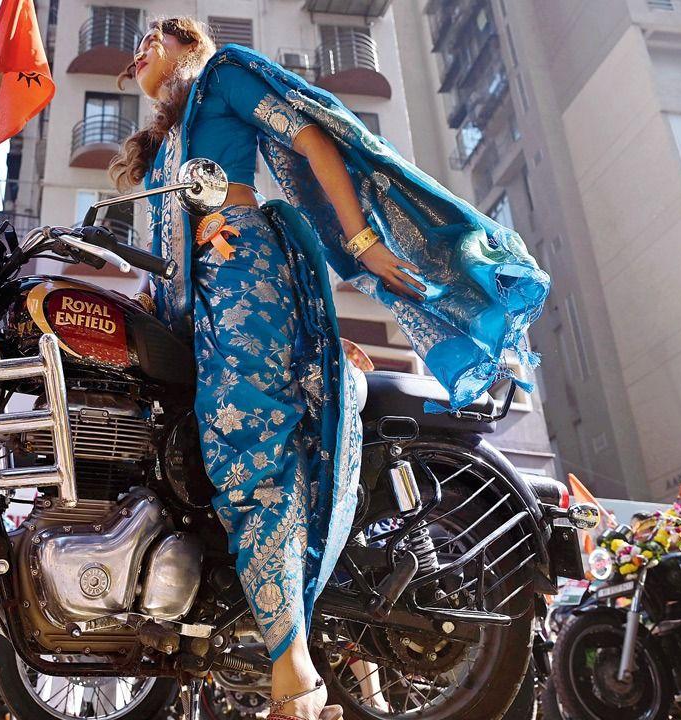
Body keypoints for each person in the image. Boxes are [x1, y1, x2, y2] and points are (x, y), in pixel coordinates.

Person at [109, 18, 548, 720]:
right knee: (192, 461)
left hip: (241, 269)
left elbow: (311, 136)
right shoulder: (167, 142)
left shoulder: (224, 76)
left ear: (192, 46)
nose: (140, 49)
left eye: (155, 37)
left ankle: (295, 674)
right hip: (196, 302)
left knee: (251, 447)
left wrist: (364, 240)